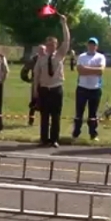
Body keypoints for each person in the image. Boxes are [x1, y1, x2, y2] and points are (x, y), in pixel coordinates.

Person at [33, 14, 70, 148]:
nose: (50, 46)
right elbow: (36, 75)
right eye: (48, 44)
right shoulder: (41, 58)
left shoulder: (60, 55)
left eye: (53, 44)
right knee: (44, 116)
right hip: (44, 89)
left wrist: (64, 24)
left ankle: (54, 139)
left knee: (55, 116)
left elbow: (67, 41)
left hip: (56, 89)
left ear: (56, 45)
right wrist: (35, 92)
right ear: (46, 45)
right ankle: (44, 139)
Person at [72, 37, 106, 141]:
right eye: (90, 44)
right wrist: (94, 70)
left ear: (96, 46)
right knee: (79, 112)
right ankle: (76, 133)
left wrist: (86, 69)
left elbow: (101, 71)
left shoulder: (100, 57)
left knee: (93, 113)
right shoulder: (82, 56)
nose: (91, 46)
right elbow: (80, 71)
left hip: (95, 88)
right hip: (82, 88)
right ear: (87, 45)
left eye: (94, 44)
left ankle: (93, 134)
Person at [21, 45, 46, 126]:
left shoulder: (48, 58)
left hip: (46, 84)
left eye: (43, 50)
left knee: (45, 103)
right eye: (40, 50)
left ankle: (45, 121)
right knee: (33, 102)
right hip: (35, 83)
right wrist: (27, 79)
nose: (42, 52)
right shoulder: (34, 59)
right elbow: (25, 69)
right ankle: (31, 120)